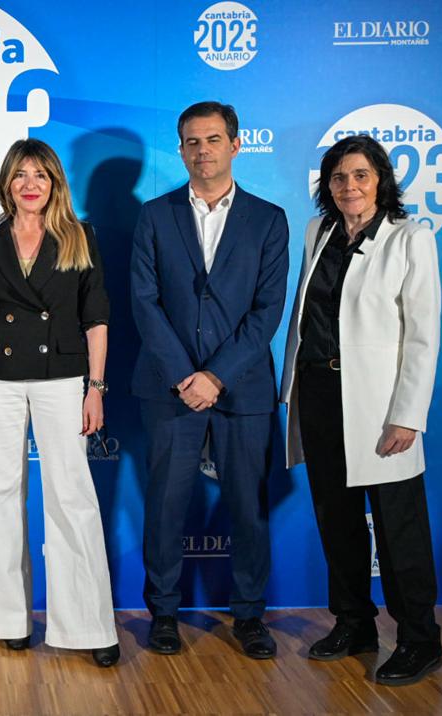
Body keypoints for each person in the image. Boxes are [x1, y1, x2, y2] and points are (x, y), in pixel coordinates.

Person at [281, 134, 442, 686]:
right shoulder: (317, 232)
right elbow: (307, 317)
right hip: (321, 398)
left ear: (381, 181)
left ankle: (421, 639)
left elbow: (423, 336)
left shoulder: (410, 239)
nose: (349, 186)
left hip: (380, 408)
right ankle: (355, 623)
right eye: (339, 177)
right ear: (327, 185)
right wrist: (291, 394)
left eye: (360, 175)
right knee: (339, 522)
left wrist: (408, 414)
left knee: (400, 530)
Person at [130, 101, 289, 659]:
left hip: (241, 390)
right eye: (192, 142)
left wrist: (216, 376)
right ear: (181, 149)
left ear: (236, 144)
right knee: (166, 506)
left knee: (247, 506)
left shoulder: (269, 219)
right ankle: (165, 613)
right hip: (169, 390)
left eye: (214, 139)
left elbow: (267, 312)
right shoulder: (154, 215)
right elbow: (144, 303)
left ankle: (248, 615)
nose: (203, 151)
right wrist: (184, 377)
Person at [0, 138, 120, 667]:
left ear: (55, 183)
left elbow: (96, 316)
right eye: (21, 175)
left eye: (41, 175)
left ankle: (88, 625)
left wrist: (95, 388)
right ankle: (8, 619)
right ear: (7, 183)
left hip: (62, 376)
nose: (31, 184)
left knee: (72, 496)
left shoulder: (81, 236)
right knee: (2, 492)